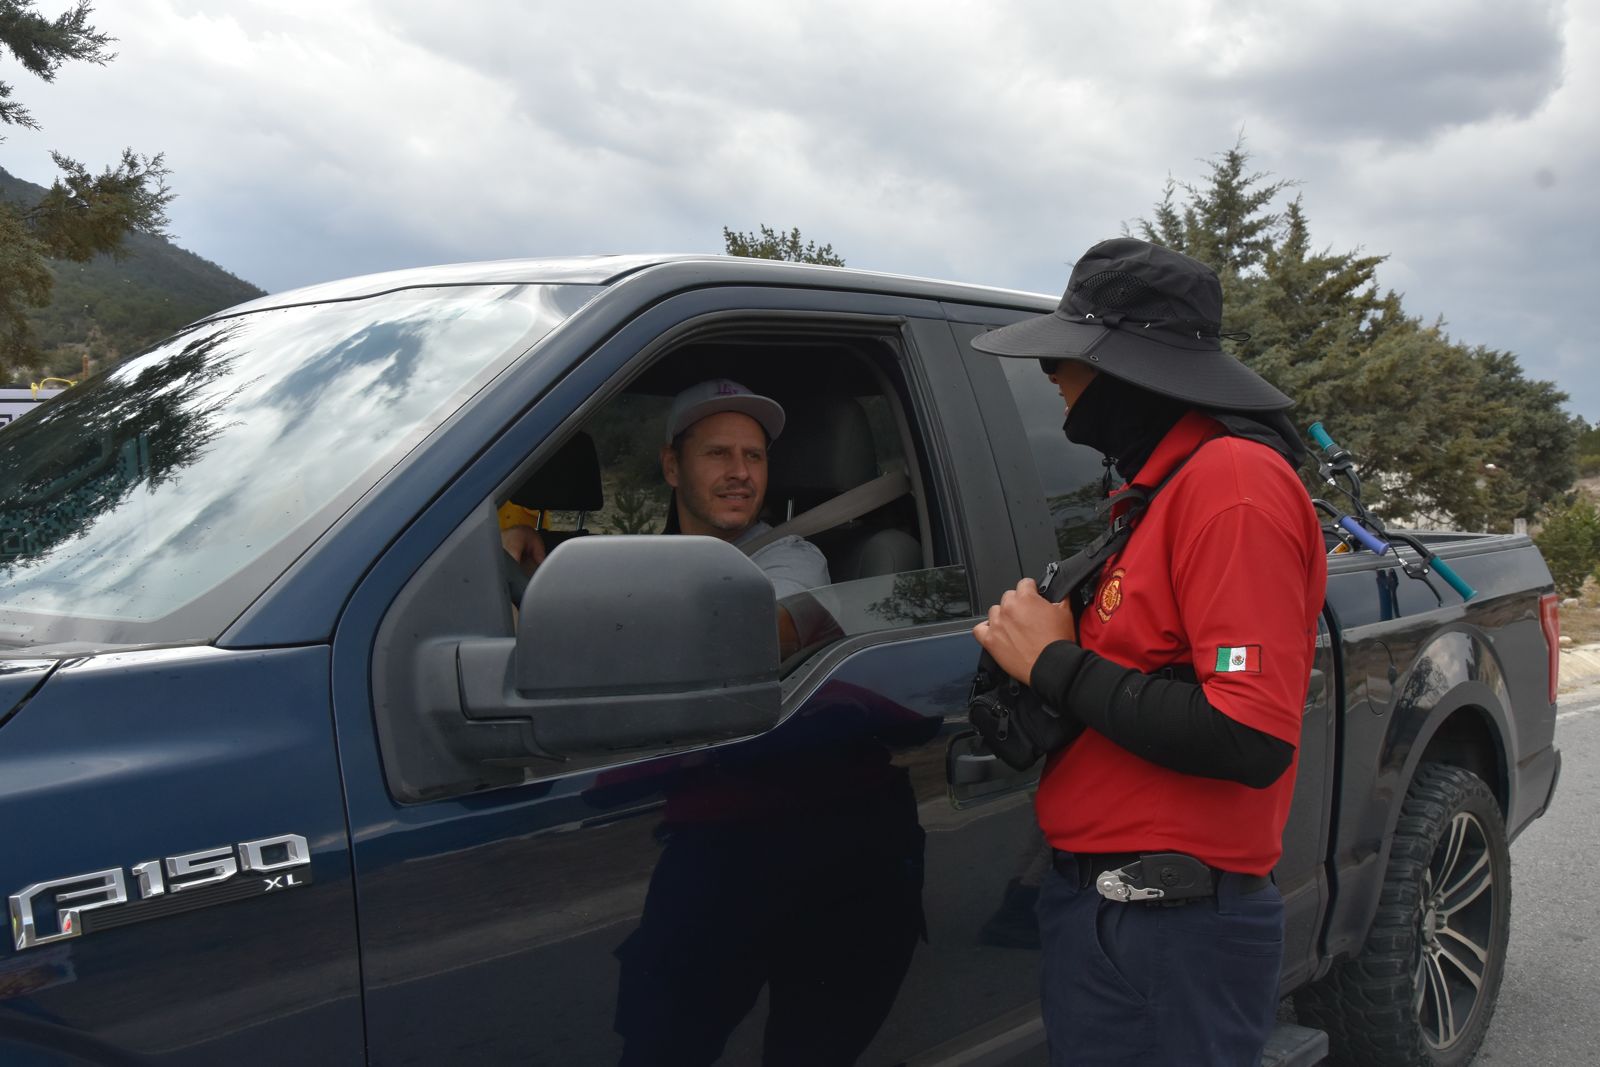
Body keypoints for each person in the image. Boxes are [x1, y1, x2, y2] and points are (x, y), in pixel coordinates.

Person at [970, 237, 1327, 1065]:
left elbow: (1249, 734)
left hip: (1168, 931)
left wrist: (1051, 662)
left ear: (1127, 365)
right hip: (1116, 916)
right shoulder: (1160, 490)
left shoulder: (1232, 485)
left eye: (1069, 358)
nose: (1052, 378)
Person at [501, 378, 830, 598]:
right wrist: (521, 561)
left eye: (754, 456)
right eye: (718, 453)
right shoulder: (653, 557)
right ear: (672, 466)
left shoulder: (790, 557)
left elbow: (763, 631)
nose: (741, 472)